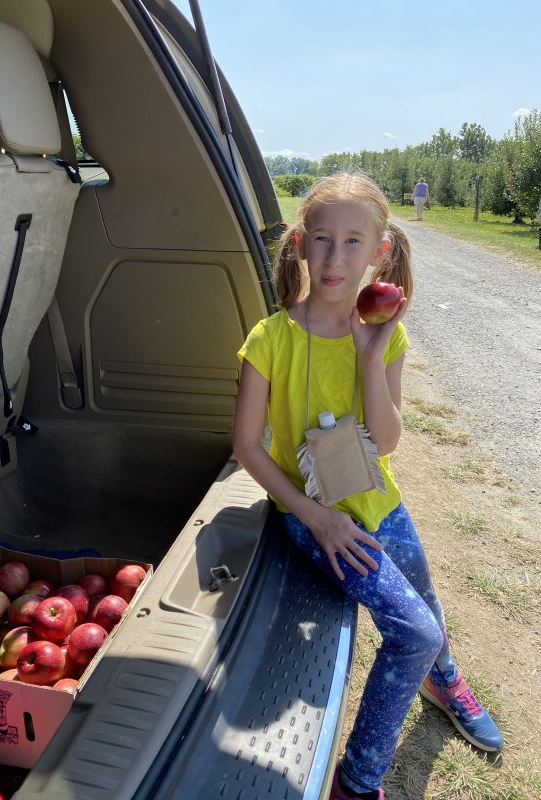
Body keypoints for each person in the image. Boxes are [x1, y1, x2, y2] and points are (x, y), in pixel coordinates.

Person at [233, 172, 502, 800]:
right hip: (317, 515)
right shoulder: (269, 340)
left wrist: (369, 358)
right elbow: (246, 446)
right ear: (299, 244)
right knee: (415, 632)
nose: (335, 257)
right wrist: (316, 518)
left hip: (379, 502)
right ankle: (356, 783)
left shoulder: (386, 334)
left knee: (425, 601)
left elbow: (384, 444)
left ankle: (445, 681)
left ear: (379, 252)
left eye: (354, 242)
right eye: (322, 239)